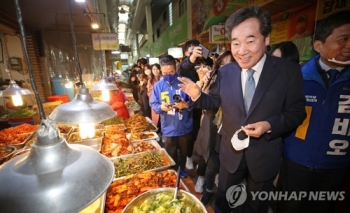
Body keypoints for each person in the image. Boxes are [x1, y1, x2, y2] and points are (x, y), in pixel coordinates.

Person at [178, 5, 306, 213]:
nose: (241, 50)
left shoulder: (287, 71)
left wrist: (269, 125)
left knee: (256, 207)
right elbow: (214, 103)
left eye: (250, 41)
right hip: (231, 153)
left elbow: (297, 112)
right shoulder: (226, 72)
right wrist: (197, 96)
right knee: (225, 203)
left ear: (266, 39)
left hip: (265, 154)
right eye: (236, 43)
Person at [281, 10, 350, 213]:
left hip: (336, 166)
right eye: (343, 39)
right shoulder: (298, 78)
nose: (349, 46)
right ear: (319, 45)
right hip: (296, 162)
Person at [193, 51, 235, 206]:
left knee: (228, 169)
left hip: (230, 132)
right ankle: (208, 190)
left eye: (230, 63)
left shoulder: (241, 83)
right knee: (211, 164)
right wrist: (202, 84)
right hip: (212, 130)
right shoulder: (213, 81)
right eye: (223, 64)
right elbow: (203, 103)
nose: (226, 67)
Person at [150, 55, 193, 178]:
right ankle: (173, 172)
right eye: (165, 73)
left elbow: (195, 101)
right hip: (168, 126)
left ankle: (182, 169)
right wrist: (161, 108)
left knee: (183, 152)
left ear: (176, 69)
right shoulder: (158, 86)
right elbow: (153, 103)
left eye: (171, 72)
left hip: (184, 124)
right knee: (170, 152)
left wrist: (186, 105)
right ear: (161, 71)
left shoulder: (184, 83)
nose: (168, 75)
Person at [177, 39, 204, 170]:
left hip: (203, 104)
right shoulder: (184, 65)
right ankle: (187, 156)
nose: (195, 54)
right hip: (187, 104)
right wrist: (192, 58)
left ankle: (201, 160)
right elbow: (182, 69)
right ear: (186, 53)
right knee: (189, 134)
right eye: (191, 52)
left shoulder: (203, 63)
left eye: (197, 50)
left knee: (200, 133)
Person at [147, 63, 162, 129]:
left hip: (163, 101)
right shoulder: (150, 81)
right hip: (155, 102)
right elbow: (148, 93)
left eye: (157, 69)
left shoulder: (163, 79)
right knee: (156, 120)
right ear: (152, 71)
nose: (156, 71)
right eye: (154, 69)